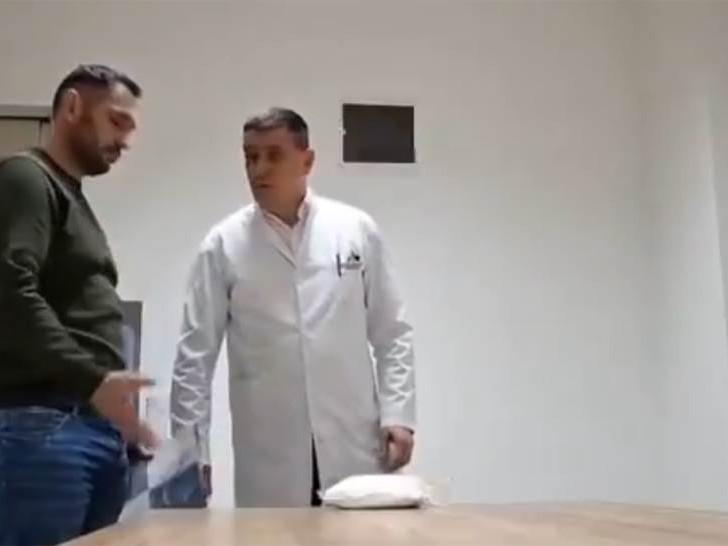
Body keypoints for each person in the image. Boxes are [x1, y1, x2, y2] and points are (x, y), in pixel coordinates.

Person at [170, 107, 416, 507]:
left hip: (353, 439)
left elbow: (393, 334)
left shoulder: (355, 230)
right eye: (250, 157)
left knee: (359, 531)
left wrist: (399, 416)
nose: (259, 169)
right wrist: (190, 451)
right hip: (268, 450)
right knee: (274, 533)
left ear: (307, 161)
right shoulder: (223, 245)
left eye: (274, 155)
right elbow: (195, 355)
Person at [0, 64, 156, 546]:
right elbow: (10, 289)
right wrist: (91, 380)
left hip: (87, 430)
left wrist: (116, 413)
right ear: (72, 107)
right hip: (43, 432)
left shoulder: (71, 197)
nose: (125, 141)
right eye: (117, 121)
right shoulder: (27, 178)